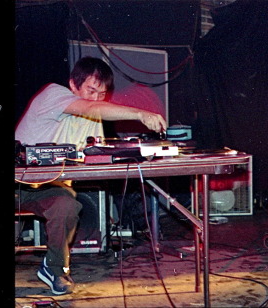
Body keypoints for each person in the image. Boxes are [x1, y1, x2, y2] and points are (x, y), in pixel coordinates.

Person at [15, 56, 167, 295]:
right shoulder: (54, 94)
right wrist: (140, 114)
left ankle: (55, 269)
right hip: (17, 185)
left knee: (67, 205)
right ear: (73, 85)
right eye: (91, 90)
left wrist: (134, 153)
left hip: (47, 186)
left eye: (102, 94)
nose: (96, 99)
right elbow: (90, 107)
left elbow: (94, 154)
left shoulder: (93, 116)